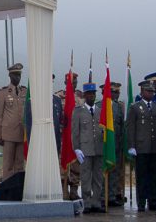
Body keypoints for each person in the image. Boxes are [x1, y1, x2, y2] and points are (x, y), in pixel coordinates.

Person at [127, 80, 156, 211]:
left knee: (155, 176)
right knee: (142, 176)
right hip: (141, 148)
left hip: (155, 147)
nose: (151, 93)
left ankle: (153, 201)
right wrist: (131, 146)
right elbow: (130, 128)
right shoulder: (135, 107)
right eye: (148, 91)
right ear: (142, 92)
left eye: (152, 91)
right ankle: (141, 202)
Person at [72, 82, 105, 213]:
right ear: (85, 95)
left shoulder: (100, 111)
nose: (92, 96)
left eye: (93, 94)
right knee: (86, 177)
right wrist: (76, 148)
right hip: (85, 149)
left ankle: (96, 202)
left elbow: (104, 130)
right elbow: (75, 132)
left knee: (98, 177)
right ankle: (87, 202)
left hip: (98, 148)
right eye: (89, 94)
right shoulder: (78, 111)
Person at [0, 63, 27, 180]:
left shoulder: (24, 91)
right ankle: (7, 188)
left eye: (19, 75)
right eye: (15, 75)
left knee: (19, 164)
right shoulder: (3, 92)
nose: (17, 78)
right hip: (8, 134)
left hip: (21, 133)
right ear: (10, 76)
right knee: (8, 164)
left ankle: (18, 188)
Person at [96, 82, 125, 207]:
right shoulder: (99, 106)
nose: (116, 95)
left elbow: (121, 126)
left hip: (116, 144)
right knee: (102, 170)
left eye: (118, 92)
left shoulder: (119, 107)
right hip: (103, 144)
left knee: (114, 170)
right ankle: (102, 195)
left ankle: (112, 196)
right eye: (114, 92)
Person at [25, 74, 63, 153]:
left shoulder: (57, 100)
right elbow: (29, 127)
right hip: (39, 145)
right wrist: (31, 148)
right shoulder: (32, 102)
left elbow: (58, 123)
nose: (50, 84)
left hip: (55, 144)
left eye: (51, 82)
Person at [62, 72, 81, 200]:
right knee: (63, 164)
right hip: (63, 136)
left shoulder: (81, 99)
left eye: (75, 82)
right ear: (65, 83)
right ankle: (63, 189)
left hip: (77, 136)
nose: (73, 84)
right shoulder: (59, 97)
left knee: (76, 165)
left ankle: (74, 190)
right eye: (70, 82)